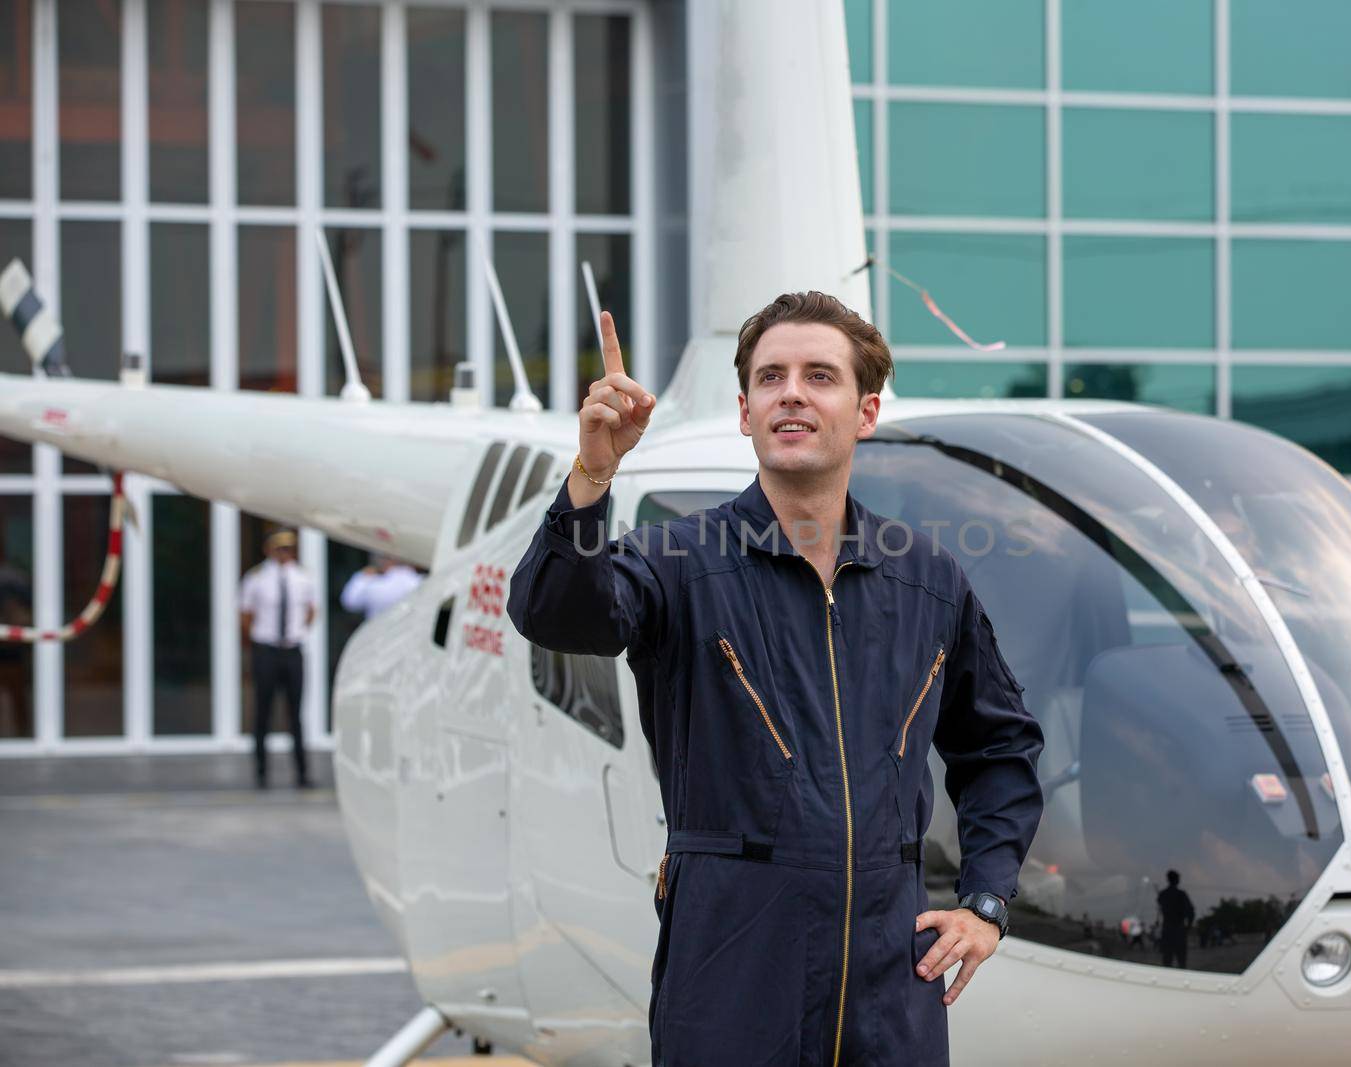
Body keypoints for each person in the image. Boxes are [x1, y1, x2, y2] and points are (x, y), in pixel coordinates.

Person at [506, 293, 1046, 1066]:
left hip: (890, 994)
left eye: (818, 375)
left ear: (864, 411)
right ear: (745, 410)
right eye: (771, 377)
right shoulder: (678, 561)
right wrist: (592, 478)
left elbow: (1000, 747)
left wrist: (987, 902)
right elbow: (559, 614)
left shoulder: (927, 579)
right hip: (731, 973)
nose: (791, 391)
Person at [239, 528, 317, 789]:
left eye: (289, 548)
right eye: (279, 548)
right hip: (267, 650)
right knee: (263, 712)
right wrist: (255, 643)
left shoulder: (303, 578)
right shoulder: (257, 578)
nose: (285, 553)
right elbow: (246, 615)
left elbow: (311, 611)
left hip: (292, 650)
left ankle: (302, 773)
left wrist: (297, 632)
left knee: (296, 714)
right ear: (269, 550)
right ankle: (261, 773)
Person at [339, 553, 423, 619]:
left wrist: (362, 577)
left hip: (379, 636)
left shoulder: (373, 585)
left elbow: (350, 603)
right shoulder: (417, 581)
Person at [1157, 869, 1195, 969]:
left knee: (1167, 962)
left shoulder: (1163, 894)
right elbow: (1191, 912)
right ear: (1176, 880)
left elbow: (1161, 907)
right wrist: (1188, 927)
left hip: (1168, 930)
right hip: (1178, 930)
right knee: (1181, 962)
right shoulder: (1181, 895)